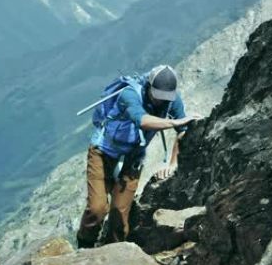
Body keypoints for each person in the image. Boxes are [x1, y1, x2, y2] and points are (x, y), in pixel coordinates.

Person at [76, 65, 202, 248]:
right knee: (97, 209)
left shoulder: (172, 100)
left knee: (120, 216)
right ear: (149, 87)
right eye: (157, 95)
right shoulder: (129, 94)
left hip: (133, 159)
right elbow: (141, 120)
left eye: (165, 97)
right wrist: (175, 121)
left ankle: (113, 253)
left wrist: (173, 163)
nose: (161, 101)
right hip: (102, 153)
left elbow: (182, 132)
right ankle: (84, 246)